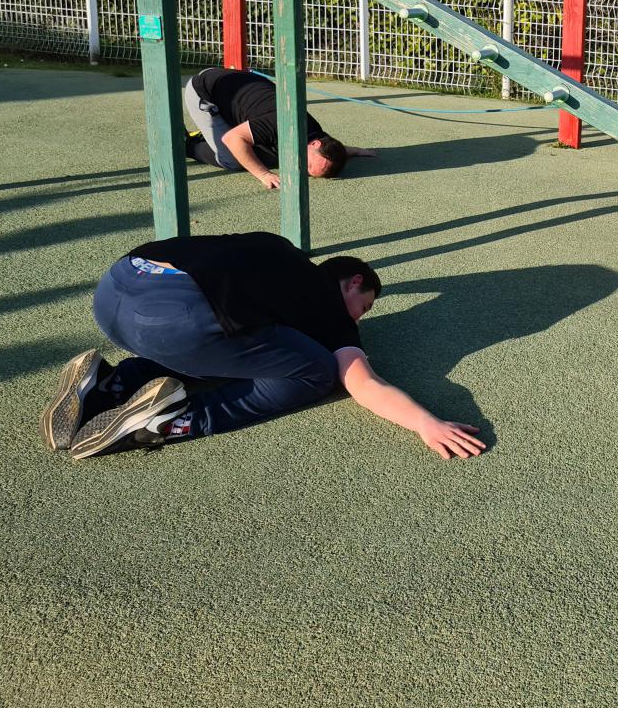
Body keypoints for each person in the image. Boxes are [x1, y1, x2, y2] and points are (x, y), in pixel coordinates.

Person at [40, 231, 485, 460]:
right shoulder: (331, 313)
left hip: (117, 287)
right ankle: (171, 420)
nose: (359, 319)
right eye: (364, 306)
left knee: (241, 346)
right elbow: (362, 384)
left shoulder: (277, 249)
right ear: (353, 282)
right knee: (316, 370)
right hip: (176, 316)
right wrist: (425, 422)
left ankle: (112, 382)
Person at [184, 67, 374, 190]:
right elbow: (232, 139)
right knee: (232, 159)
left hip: (234, 84)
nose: (302, 168)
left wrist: (352, 151)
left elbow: (331, 147)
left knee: (264, 152)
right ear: (314, 144)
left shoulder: (315, 134)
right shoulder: (280, 123)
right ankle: (187, 144)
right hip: (205, 92)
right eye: (308, 165)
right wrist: (263, 174)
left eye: (308, 171)